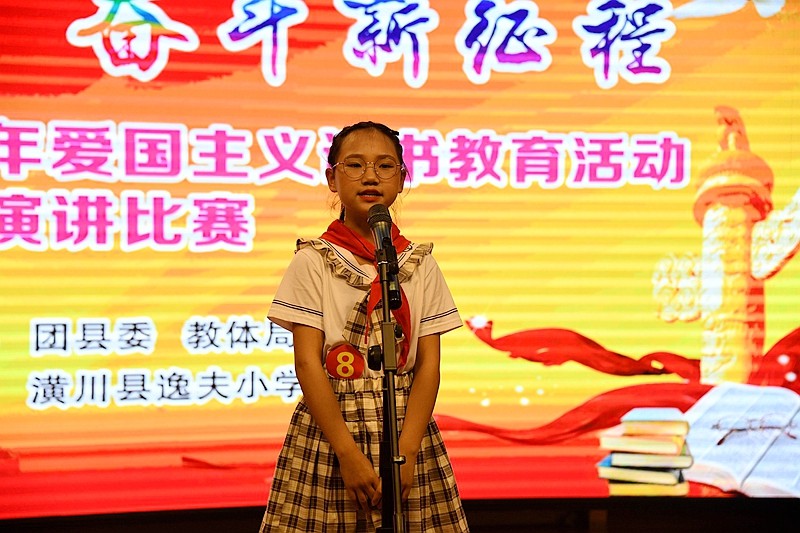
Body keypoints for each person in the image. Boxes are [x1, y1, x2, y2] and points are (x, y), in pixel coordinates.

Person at [260, 121, 469, 532]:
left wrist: (407, 452)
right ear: (331, 178)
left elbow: (429, 364)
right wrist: (347, 453)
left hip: (406, 425)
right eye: (355, 165)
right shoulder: (313, 260)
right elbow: (307, 362)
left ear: (402, 179)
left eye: (385, 166)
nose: (370, 176)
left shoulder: (419, 263)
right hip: (333, 430)